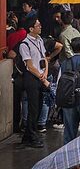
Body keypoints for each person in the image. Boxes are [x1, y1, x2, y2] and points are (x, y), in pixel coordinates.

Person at [17, 17, 49, 148]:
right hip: (31, 78)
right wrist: (42, 77)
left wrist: (45, 73)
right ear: (31, 29)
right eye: (38, 25)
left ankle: (27, 136)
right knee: (33, 108)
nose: (40, 27)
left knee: (39, 106)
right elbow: (29, 66)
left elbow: (44, 58)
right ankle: (32, 135)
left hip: (41, 76)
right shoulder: (24, 44)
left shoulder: (40, 40)